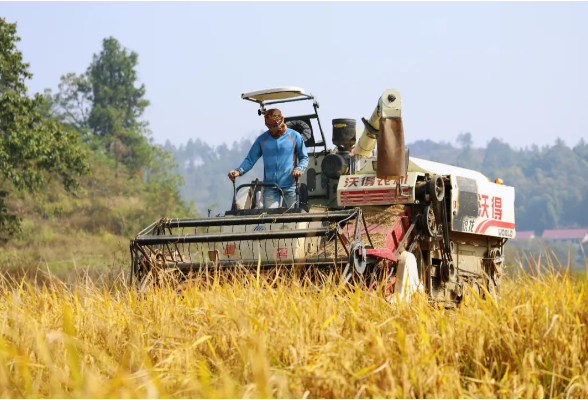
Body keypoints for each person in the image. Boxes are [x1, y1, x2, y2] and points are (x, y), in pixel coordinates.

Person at [228, 108, 309, 208]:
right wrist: (238, 171)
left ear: (282, 120)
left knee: (289, 219)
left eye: (273, 125)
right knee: (270, 219)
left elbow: (304, 157)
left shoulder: (294, 136)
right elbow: (250, 159)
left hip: (290, 186)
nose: (271, 128)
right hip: (270, 187)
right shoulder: (262, 139)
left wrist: (299, 169)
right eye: (268, 125)